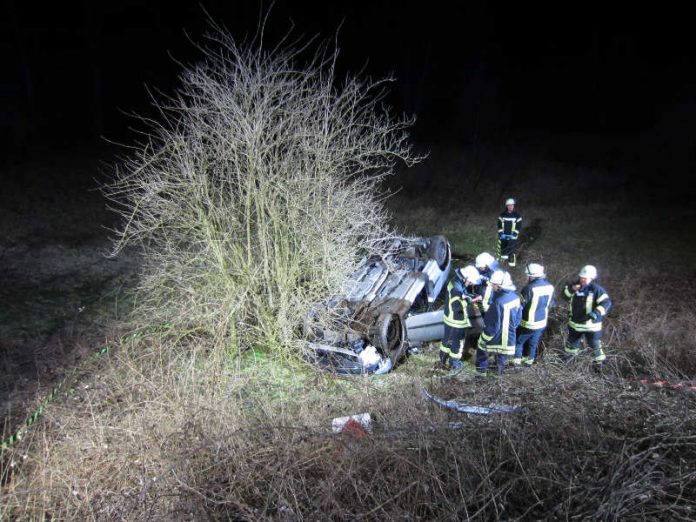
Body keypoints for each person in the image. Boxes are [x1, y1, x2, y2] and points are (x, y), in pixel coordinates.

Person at [562, 265, 612, 366]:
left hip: (591, 326)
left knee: (596, 348)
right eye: (581, 277)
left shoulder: (596, 289)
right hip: (575, 325)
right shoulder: (574, 286)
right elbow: (564, 295)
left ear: (591, 278)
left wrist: (596, 313)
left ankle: (600, 367)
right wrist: (572, 289)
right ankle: (569, 365)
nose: (582, 279)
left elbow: (606, 303)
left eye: (585, 278)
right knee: (571, 347)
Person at [475, 270, 522, 375]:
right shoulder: (515, 297)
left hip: (497, 339)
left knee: (481, 352)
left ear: (500, 285)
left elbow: (492, 328)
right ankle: (499, 381)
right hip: (509, 339)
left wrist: (482, 339)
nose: (491, 286)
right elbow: (518, 318)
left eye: (493, 284)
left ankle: (480, 377)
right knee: (501, 362)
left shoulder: (498, 303)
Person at [439, 266, 481, 371]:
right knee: (457, 344)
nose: (471, 284)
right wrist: (472, 300)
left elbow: (461, 295)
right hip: (456, 321)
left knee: (447, 341)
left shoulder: (455, 282)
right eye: (470, 282)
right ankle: (454, 365)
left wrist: (467, 296)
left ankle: (442, 361)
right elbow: (457, 305)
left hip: (449, 318)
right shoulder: (456, 289)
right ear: (466, 278)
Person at [512, 263, 555, 366]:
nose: (526, 277)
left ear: (532, 276)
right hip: (541, 322)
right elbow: (551, 304)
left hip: (528, 322)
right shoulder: (550, 287)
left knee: (518, 342)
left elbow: (520, 305)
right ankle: (528, 363)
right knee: (533, 343)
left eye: (527, 275)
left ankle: (516, 364)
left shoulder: (529, 288)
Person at [496, 198, 522, 267]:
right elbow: (499, 225)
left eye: (512, 205)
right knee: (503, 249)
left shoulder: (517, 216)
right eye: (509, 205)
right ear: (506, 206)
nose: (510, 207)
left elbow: (519, 226)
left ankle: (512, 265)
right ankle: (503, 263)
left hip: (513, 237)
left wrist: (515, 233)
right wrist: (501, 233)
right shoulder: (502, 215)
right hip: (503, 236)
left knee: (511, 250)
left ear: (514, 206)